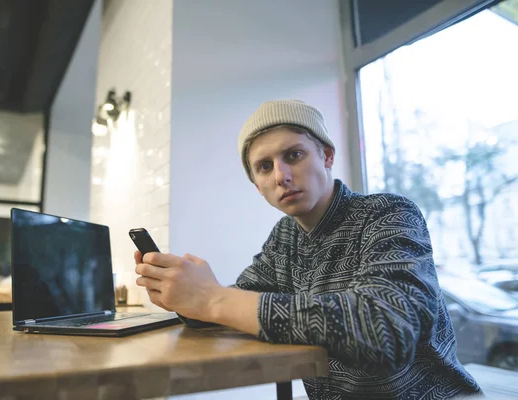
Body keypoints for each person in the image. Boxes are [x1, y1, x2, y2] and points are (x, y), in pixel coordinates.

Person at [134, 99, 482, 399]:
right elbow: (238, 303)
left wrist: (213, 300)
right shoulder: (285, 237)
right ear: (257, 185)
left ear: (327, 155)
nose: (280, 176)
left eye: (293, 155)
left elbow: (387, 329)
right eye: (264, 167)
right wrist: (186, 297)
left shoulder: (388, 213)